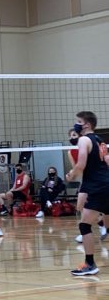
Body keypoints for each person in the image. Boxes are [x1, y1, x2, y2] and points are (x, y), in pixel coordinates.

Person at [66, 111, 109, 275]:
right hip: (106, 183)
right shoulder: (100, 141)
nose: (75, 124)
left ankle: (90, 264)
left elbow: (81, 164)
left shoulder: (84, 139)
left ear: (87, 125)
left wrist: (71, 174)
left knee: (84, 225)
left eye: (78, 121)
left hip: (97, 186)